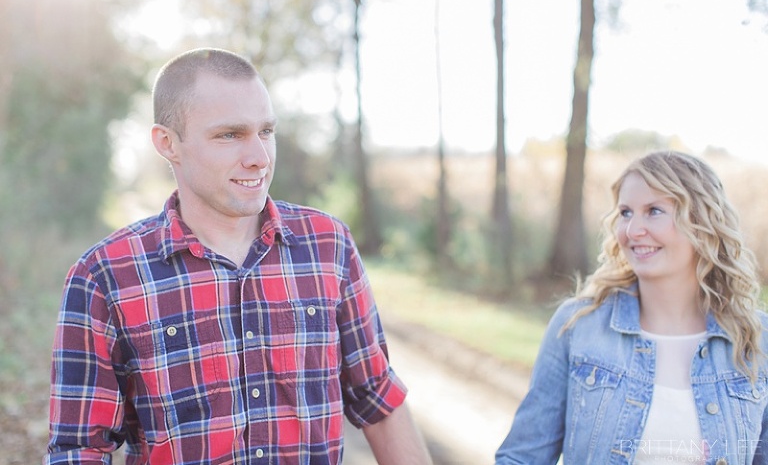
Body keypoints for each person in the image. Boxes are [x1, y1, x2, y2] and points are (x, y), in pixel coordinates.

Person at [45, 47, 433, 465]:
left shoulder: (328, 246)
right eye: (230, 135)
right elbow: (80, 448)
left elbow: (377, 398)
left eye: (266, 131)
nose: (259, 158)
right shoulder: (103, 276)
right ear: (168, 143)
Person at [495, 150, 768, 464]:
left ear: (702, 222)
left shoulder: (757, 339)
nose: (632, 230)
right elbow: (521, 457)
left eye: (653, 211)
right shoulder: (578, 327)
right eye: (626, 212)